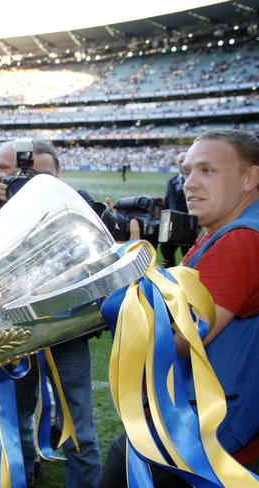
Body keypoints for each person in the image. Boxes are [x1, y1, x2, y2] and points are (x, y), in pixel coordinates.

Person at [100, 129, 259, 487]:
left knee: (124, 463)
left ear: (251, 177)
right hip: (224, 421)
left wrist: (131, 270)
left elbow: (178, 340)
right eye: (187, 171)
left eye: (207, 171)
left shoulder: (239, 239)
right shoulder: (226, 229)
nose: (190, 183)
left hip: (193, 431)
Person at [0, 138, 103, 488]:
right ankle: (25, 473)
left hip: (67, 327)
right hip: (15, 329)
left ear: (58, 175)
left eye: (41, 176)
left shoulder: (77, 203)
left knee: (77, 420)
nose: (31, 185)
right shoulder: (1, 208)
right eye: (15, 174)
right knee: (16, 414)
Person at [159, 151, 190, 267]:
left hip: (188, 226)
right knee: (165, 249)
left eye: (185, 160)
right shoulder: (172, 182)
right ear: (177, 164)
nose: (183, 164)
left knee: (188, 255)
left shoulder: (196, 181)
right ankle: (171, 276)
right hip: (172, 224)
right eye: (180, 161)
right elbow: (168, 201)